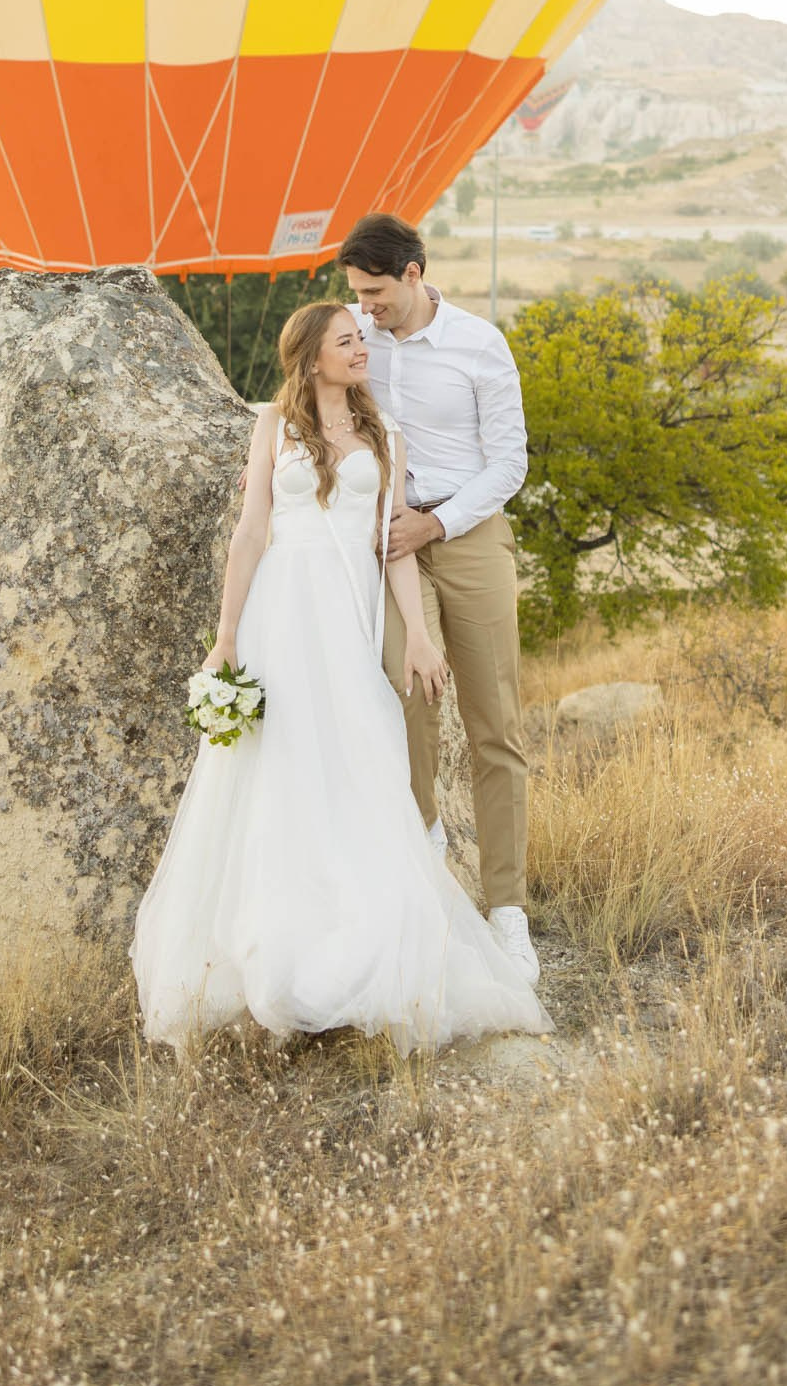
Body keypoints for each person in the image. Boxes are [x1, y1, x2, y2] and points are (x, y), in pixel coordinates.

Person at [132, 301, 545, 1053]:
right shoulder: (272, 428)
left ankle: (359, 939)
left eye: (362, 339)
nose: (362, 350)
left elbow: (394, 545)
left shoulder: (386, 434)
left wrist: (417, 635)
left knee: (360, 766)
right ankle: (269, 944)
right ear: (311, 358)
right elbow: (250, 530)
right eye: (347, 342)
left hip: (346, 619)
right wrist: (225, 638)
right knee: (274, 774)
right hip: (277, 618)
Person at [339, 211, 536, 984]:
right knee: (403, 696)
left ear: (414, 274)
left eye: (377, 291)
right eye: (356, 293)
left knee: (494, 722)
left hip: (469, 530)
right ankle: (423, 869)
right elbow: (301, 396)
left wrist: (440, 523)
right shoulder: (352, 336)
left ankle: (506, 910)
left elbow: (509, 461)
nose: (366, 306)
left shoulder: (479, 345)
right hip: (389, 545)